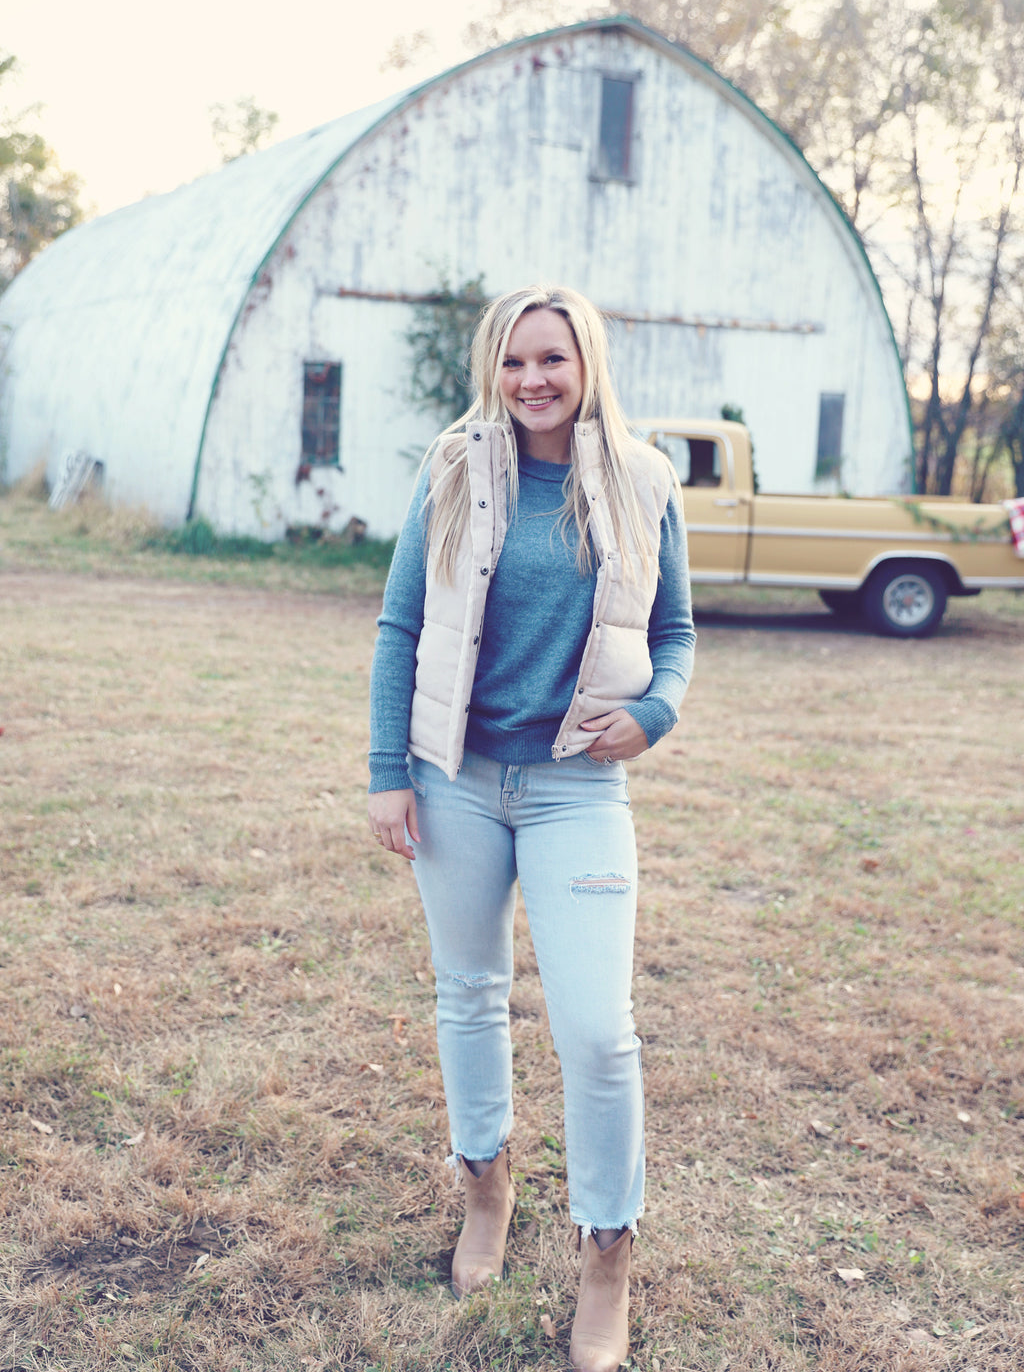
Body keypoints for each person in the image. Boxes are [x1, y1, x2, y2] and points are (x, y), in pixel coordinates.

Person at [367, 284, 695, 1372]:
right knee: (468, 994)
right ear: (491, 371)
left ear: (584, 361)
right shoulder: (452, 465)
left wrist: (650, 714)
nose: (532, 381)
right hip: (454, 776)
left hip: (573, 789)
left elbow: (678, 632)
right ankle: (486, 1189)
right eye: (512, 363)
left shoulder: (643, 481)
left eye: (550, 359)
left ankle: (608, 1253)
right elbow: (402, 621)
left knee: (597, 1029)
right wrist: (388, 773)